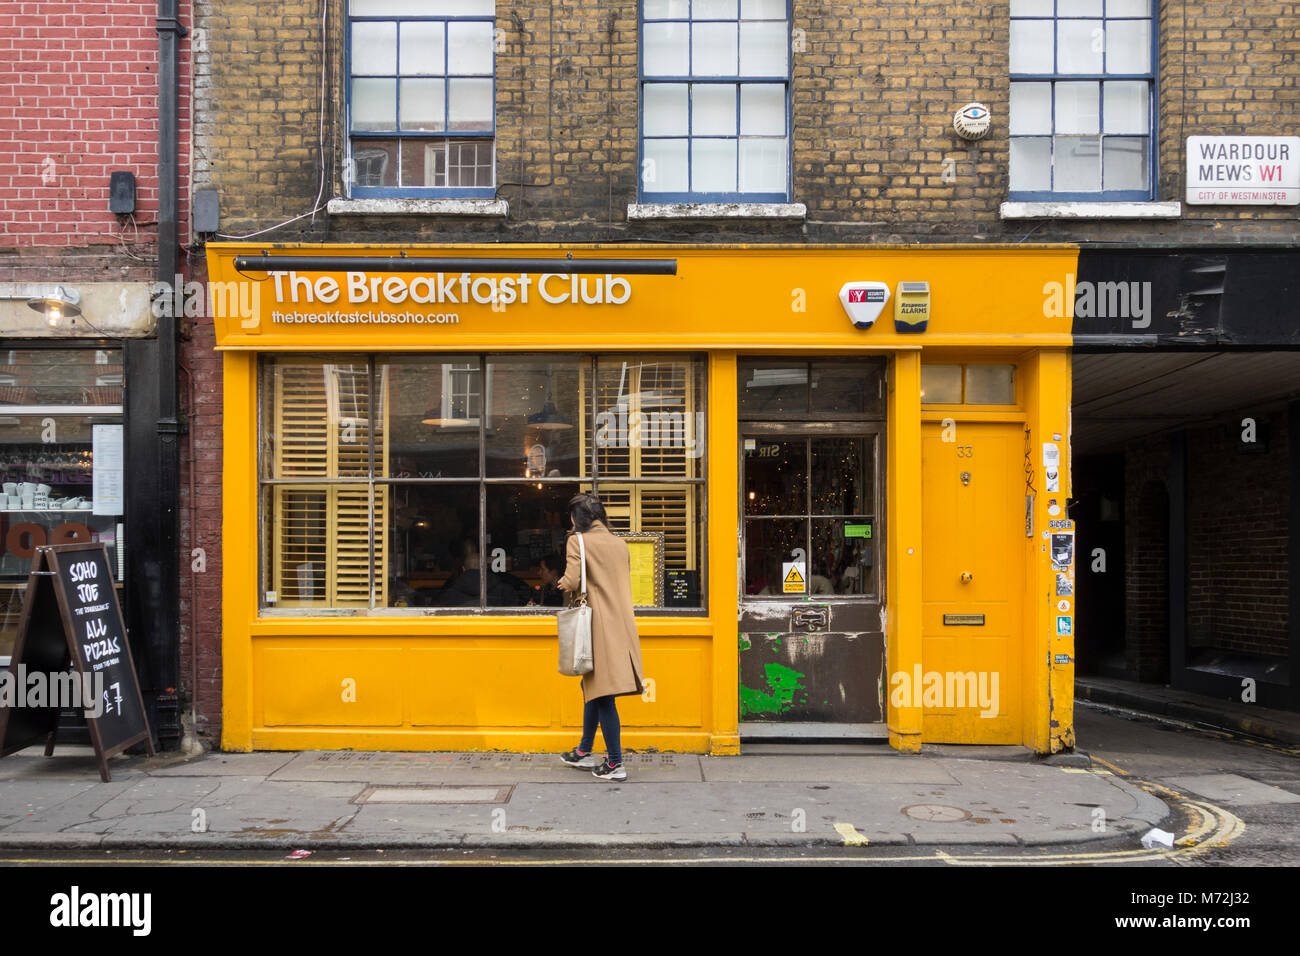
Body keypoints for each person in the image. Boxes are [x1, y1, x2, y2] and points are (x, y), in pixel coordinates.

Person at [556, 492, 644, 781]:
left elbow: (571, 580)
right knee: (591, 688)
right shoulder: (619, 544)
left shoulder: (577, 541)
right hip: (622, 625)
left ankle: (615, 763)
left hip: (598, 628)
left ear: (576, 519)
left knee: (604, 695)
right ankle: (583, 751)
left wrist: (561, 583)